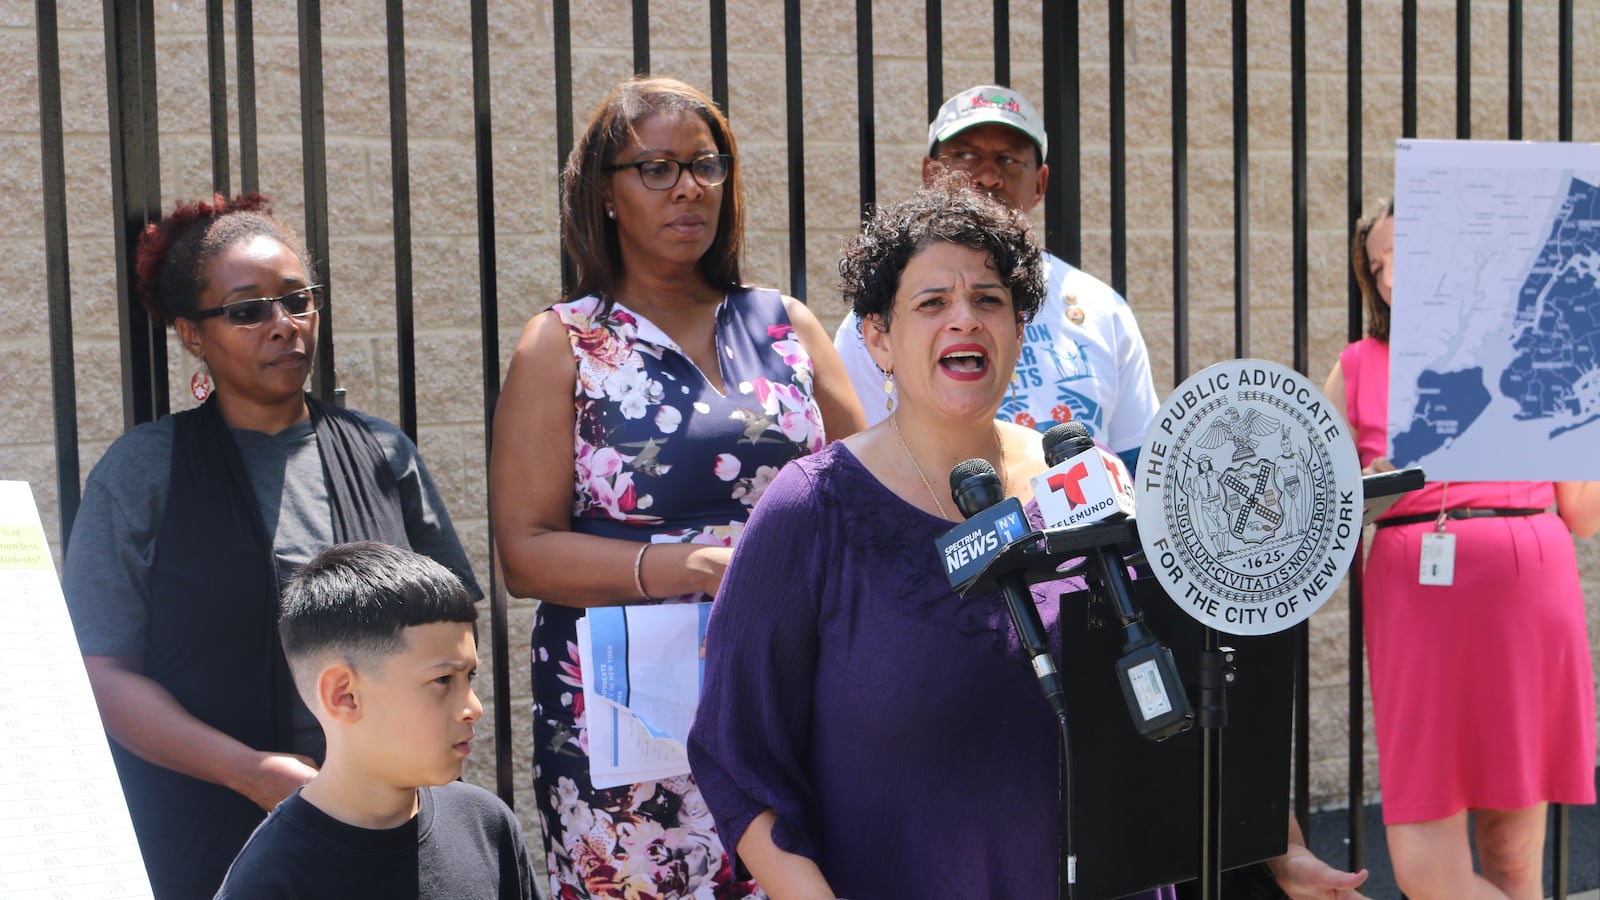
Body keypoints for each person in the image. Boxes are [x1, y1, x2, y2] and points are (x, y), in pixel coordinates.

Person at [687, 183, 1176, 898]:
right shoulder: (811, 510)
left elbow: (1172, 688)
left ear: (1018, 326)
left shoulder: (1085, 484)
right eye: (931, 303)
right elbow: (737, 759)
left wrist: (1279, 846)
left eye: (988, 300)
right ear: (878, 337)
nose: (965, 321)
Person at [490, 76, 864, 899]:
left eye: (705, 164)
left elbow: (865, 490)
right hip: (628, 724)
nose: (687, 186)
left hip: (785, 678)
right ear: (606, 194)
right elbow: (525, 553)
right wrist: (685, 568)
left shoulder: (785, 324)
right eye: (655, 168)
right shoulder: (564, 345)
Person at [60, 193, 481, 898]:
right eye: (247, 309)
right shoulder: (143, 473)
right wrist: (250, 772)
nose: (283, 326)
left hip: (385, 821)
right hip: (206, 827)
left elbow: (450, 632)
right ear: (193, 333)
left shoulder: (382, 452)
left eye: (297, 301)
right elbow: (102, 674)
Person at [1323, 198, 1600, 900]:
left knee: (1512, 857)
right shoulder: (1357, 366)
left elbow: (1585, 514)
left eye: (1402, 257)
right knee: (1424, 868)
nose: (1388, 280)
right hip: (1416, 598)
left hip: (1529, 584)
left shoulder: (1535, 352)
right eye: (1377, 268)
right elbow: (1318, 506)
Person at [833, 83, 1159, 471]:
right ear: (929, 174)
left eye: (1008, 159)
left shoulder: (1103, 311)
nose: (988, 176)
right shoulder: (882, 315)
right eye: (966, 155)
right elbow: (854, 465)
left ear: (1039, 183)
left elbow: (1136, 463)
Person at [215, 541, 533, 899]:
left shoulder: (485, 823)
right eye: (443, 680)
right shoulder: (270, 879)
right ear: (344, 695)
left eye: (469, 678)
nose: (473, 706)